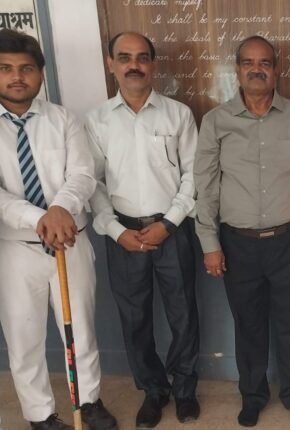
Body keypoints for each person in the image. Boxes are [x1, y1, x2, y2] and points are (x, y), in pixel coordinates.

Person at [194, 35, 290, 427]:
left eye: (265, 63)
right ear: (237, 70)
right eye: (248, 63)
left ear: (276, 70)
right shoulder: (215, 121)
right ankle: (252, 396)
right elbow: (206, 187)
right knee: (248, 325)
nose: (257, 69)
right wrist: (209, 243)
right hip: (238, 244)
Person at [0, 29, 118, 430]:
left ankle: (89, 402)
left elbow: (82, 173)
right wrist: (38, 218)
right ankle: (40, 416)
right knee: (24, 336)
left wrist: (59, 208)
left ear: (40, 73)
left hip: (70, 241)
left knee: (80, 329)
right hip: (17, 248)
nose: (17, 77)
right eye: (6, 68)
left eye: (26, 68)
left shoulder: (64, 119)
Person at [86, 32, 200, 427]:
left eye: (141, 57)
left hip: (172, 231)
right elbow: (92, 183)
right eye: (124, 57)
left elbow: (193, 176)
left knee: (183, 314)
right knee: (134, 319)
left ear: (153, 64)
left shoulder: (178, 114)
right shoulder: (97, 120)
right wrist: (115, 230)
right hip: (123, 235)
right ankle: (153, 390)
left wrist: (169, 223)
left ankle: (185, 390)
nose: (133, 65)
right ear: (111, 64)